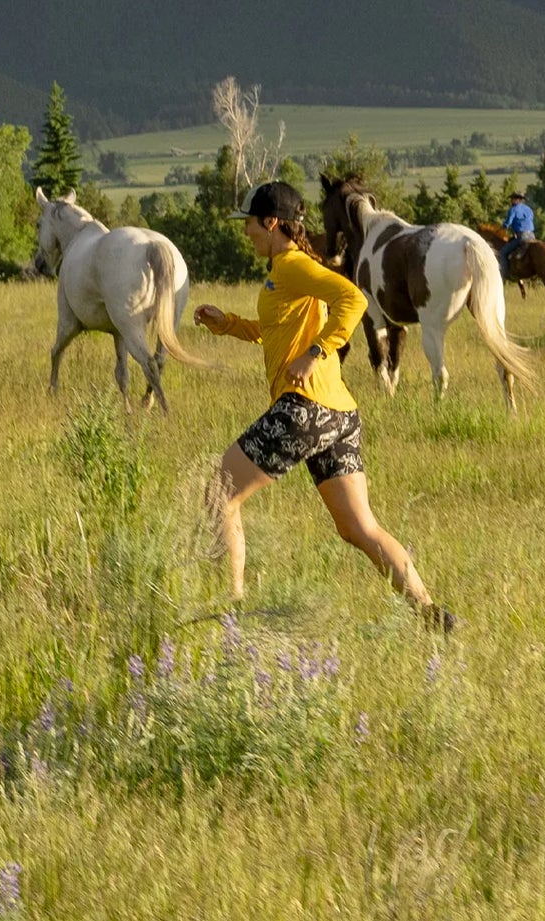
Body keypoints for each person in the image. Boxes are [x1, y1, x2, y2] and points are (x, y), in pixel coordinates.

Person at [194, 179, 454, 630]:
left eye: (249, 223)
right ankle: (431, 614)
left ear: (271, 223)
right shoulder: (288, 269)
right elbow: (276, 331)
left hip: (304, 410)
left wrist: (315, 353)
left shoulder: (292, 266)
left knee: (219, 494)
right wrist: (228, 324)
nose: (246, 232)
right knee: (358, 528)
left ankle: (231, 616)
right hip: (339, 415)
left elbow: (353, 299)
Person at [499, 189, 535, 278]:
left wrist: (502, 227)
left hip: (522, 237)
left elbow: (508, 223)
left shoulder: (513, 209)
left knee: (503, 252)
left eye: (513, 199)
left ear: (518, 199)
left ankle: (503, 274)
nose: (511, 200)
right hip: (532, 235)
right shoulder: (529, 209)